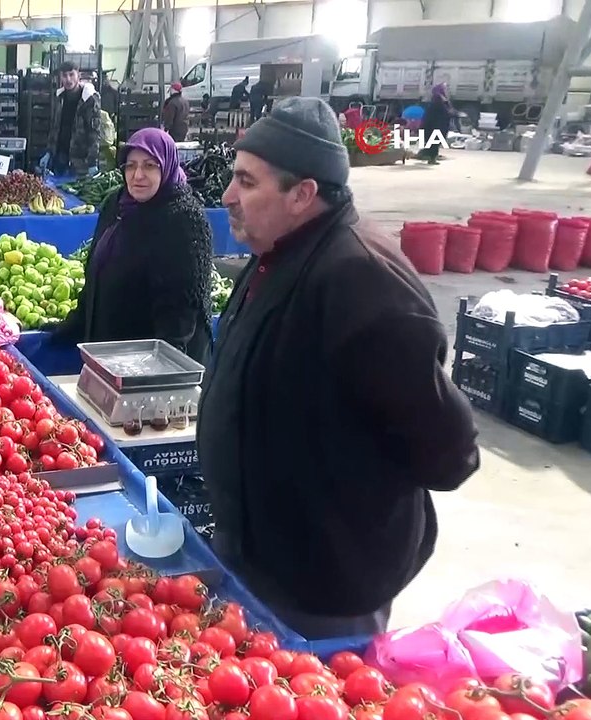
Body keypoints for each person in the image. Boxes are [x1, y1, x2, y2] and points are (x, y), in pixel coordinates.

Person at [199, 97, 480, 640]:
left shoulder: (364, 285)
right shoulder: (279, 252)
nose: (228, 196)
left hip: (323, 585)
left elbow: (450, 450)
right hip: (261, 557)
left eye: (247, 183)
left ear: (303, 194)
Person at [47, 128, 212, 363]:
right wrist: (70, 326)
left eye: (150, 165)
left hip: (146, 363)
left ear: (167, 166)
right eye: (131, 165)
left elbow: (180, 313)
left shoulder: (184, 219)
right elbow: (96, 276)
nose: (138, 175)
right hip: (109, 353)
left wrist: (163, 371)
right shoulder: (116, 204)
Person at [39, 61, 102, 177]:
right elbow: (55, 127)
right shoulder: (59, 98)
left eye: (71, 74)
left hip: (80, 162)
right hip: (60, 158)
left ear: (79, 75)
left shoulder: (89, 100)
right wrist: (49, 151)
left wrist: (93, 162)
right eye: (64, 75)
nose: (68, 79)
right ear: (60, 78)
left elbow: (94, 133)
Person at [420, 83, 453, 165]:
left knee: (434, 142)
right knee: (434, 141)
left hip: (436, 125)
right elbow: (445, 112)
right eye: (445, 88)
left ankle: (430, 156)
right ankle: (431, 158)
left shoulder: (440, 100)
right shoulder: (438, 100)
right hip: (435, 125)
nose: (447, 90)